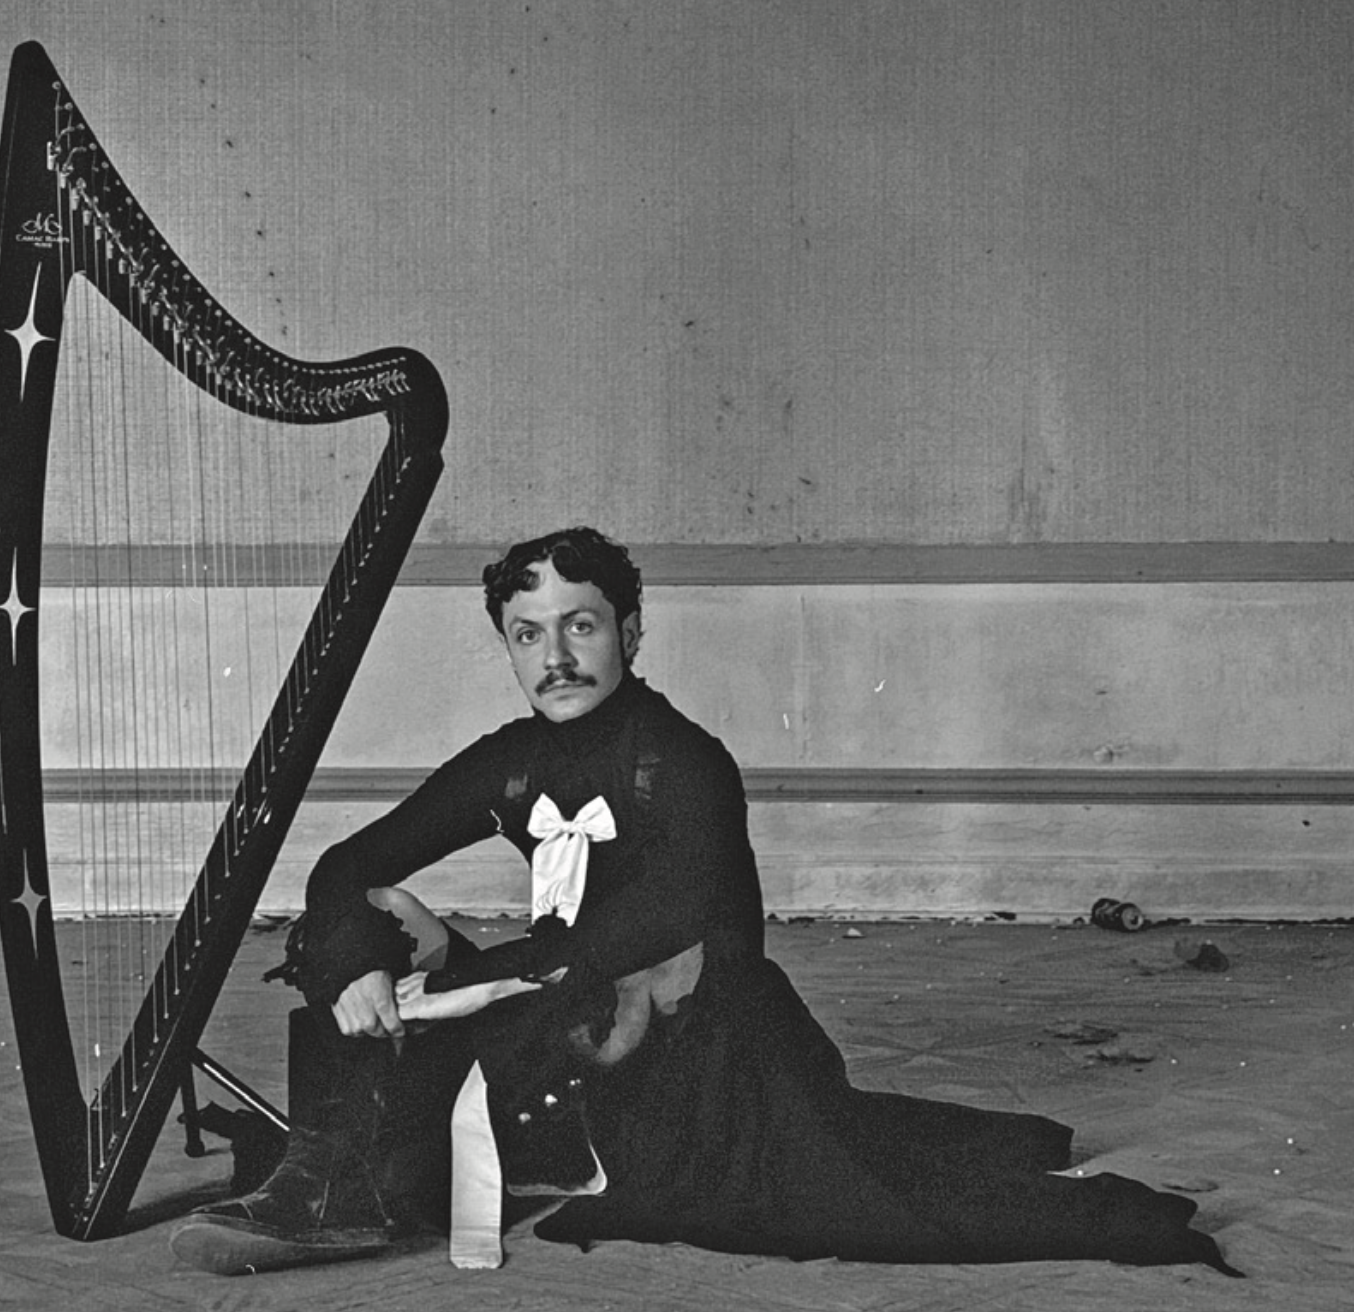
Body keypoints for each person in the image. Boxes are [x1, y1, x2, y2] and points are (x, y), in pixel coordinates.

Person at [171, 527, 1237, 1277]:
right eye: (528, 634)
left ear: (631, 631)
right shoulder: (508, 760)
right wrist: (360, 961)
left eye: (581, 626)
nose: (556, 657)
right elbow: (348, 862)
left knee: (817, 1200)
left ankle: (373, 1178)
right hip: (562, 996)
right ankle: (343, 1189)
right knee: (366, 918)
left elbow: (661, 921)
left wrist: (485, 987)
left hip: (697, 1035)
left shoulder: (682, 759)